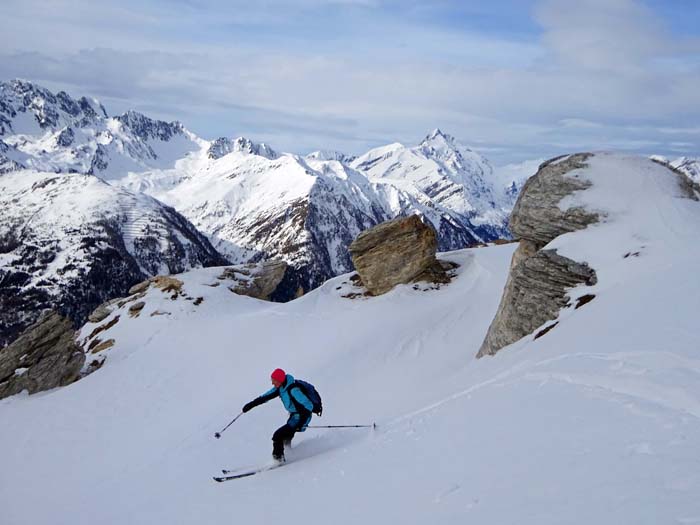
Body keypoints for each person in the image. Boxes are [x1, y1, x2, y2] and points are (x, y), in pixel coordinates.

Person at [242, 368, 314, 463]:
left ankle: (278, 460)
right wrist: (250, 405)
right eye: (272, 380)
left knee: (278, 436)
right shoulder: (280, 388)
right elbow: (265, 396)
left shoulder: (293, 390)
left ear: (280, 380)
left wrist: (302, 421)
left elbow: (309, 405)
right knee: (286, 436)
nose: (272, 383)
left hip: (300, 416)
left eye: (274, 381)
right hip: (294, 416)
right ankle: (289, 454)